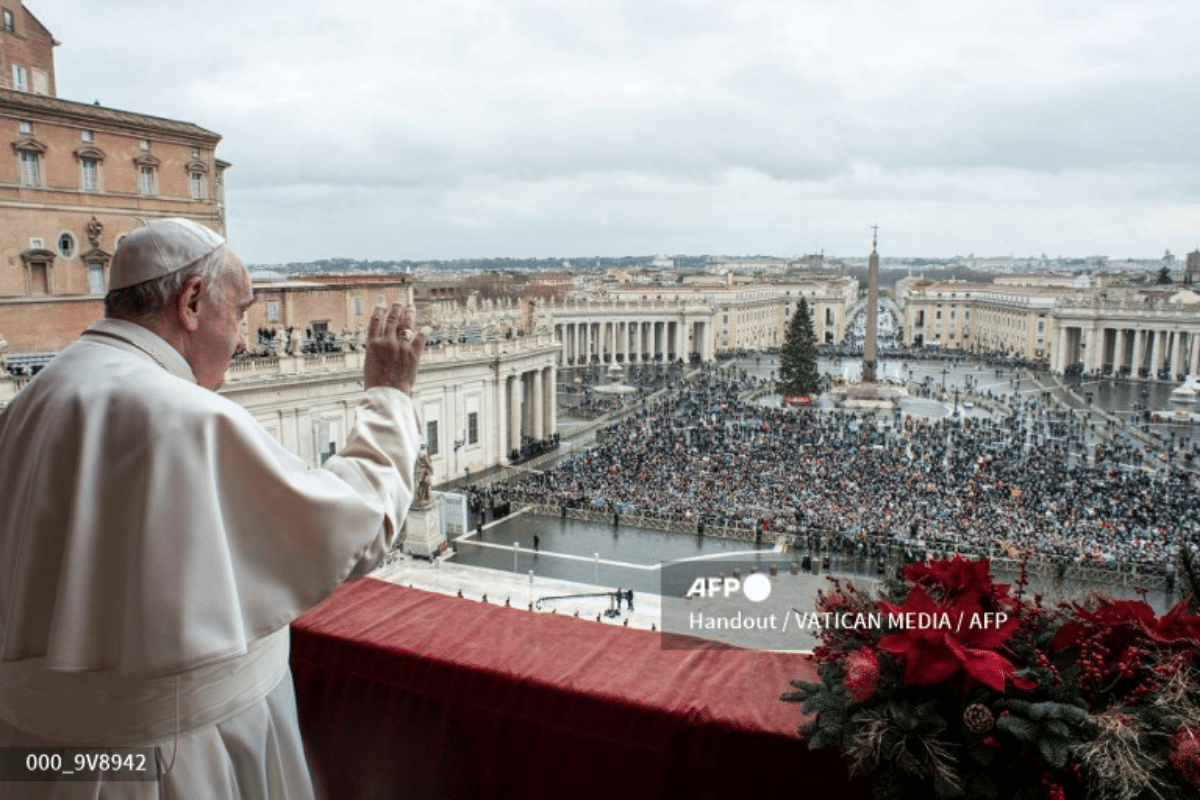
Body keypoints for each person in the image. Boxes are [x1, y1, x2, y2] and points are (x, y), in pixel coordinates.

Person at [0, 218, 427, 799]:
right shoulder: (187, 418)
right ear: (193, 301)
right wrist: (390, 396)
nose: (246, 339)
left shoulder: (33, 398)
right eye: (243, 312)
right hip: (178, 763)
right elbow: (357, 525)